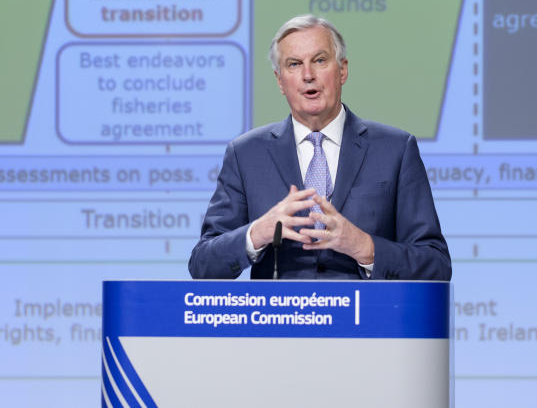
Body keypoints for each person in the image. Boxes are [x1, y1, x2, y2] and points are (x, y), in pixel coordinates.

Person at [189, 15, 451, 280]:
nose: (308, 75)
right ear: (280, 81)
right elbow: (203, 265)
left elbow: (436, 265)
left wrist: (364, 247)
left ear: (342, 70)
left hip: (366, 317)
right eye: (294, 64)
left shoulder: (395, 150)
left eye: (319, 60)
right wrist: (257, 233)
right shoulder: (246, 155)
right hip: (281, 319)